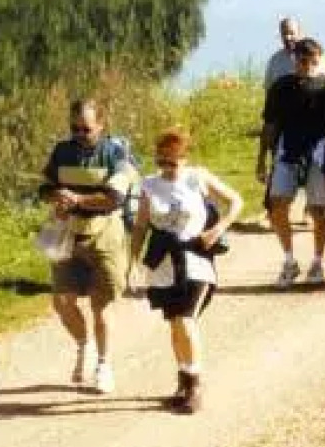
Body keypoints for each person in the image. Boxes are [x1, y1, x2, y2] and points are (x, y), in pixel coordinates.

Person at [130, 130, 241, 414]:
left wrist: (217, 229)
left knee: (185, 319)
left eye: (172, 162)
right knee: (174, 324)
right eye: (161, 161)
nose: (166, 168)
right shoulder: (149, 185)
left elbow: (236, 202)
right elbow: (141, 226)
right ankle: (182, 380)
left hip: (196, 259)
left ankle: (195, 384)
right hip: (163, 262)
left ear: (185, 158)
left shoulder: (197, 178)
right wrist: (133, 263)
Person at [39, 99, 138, 392]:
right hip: (67, 232)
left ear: (102, 126)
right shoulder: (62, 151)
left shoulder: (116, 154)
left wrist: (79, 200)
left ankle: (104, 364)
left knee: (101, 306)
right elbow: (43, 187)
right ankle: (84, 345)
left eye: (86, 129)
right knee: (62, 301)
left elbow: (115, 197)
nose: (80, 134)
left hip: (104, 232)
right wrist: (56, 195)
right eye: (74, 128)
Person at [257, 37, 325, 288]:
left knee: (318, 210)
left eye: (313, 61)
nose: (308, 65)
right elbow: (270, 125)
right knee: (277, 205)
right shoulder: (281, 87)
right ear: (295, 60)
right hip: (287, 150)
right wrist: (261, 160)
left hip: (319, 152)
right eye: (303, 60)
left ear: (319, 61)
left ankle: (318, 262)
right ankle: (289, 261)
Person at [262, 16, 325, 90]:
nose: (287, 37)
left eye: (291, 33)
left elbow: (324, 82)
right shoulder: (275, 60)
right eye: (284, 34)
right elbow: (268, 88)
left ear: (299, 33)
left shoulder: (315, 55)